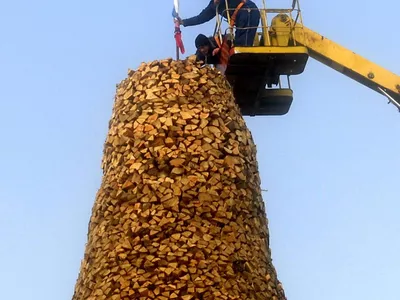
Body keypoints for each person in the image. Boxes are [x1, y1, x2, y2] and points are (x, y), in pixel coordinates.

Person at [179, 0, 260, 47]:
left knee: (244, 45)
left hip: (248, 10)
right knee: (240, 45)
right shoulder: (213, 5)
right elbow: (201, 18)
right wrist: (183, 22)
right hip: (240, 18)